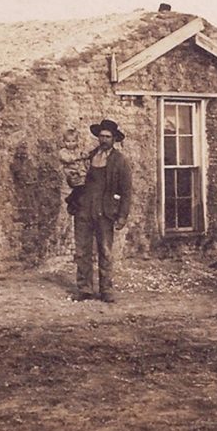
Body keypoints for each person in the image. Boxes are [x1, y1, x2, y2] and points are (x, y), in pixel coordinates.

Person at [73, 118, 132, 303]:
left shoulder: (120, 161)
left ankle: (106, 289)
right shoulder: (89, 157)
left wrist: (122, 216)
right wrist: (73, 180)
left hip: (105, 212)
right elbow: (77, 178)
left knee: (105, 251)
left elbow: (126, 191)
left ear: (114, 139)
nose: (103, 139)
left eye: (107, 137)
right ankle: (85, 288)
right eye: (101, 136)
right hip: (84, 209)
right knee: (82, 251)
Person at [58, 128, 91, 216]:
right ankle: (71, 200)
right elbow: (67, 159)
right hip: (70, 173)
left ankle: (73, 201)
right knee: (73, 187)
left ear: (77, 141)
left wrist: (85, 155)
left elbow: (85, 156)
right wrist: (78, 157)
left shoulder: (78, 150)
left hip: (80, 175)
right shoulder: (63, 152)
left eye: (73, 141)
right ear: (64, 142)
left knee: (81, 188)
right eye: (68, 141)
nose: (70, 144)